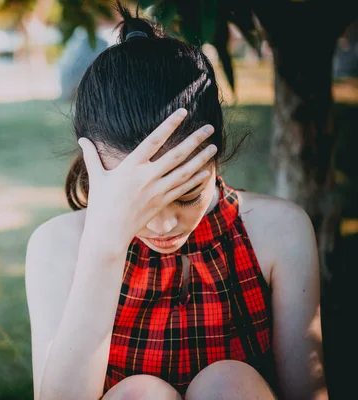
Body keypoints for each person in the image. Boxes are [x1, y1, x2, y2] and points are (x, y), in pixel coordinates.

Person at [25, 2, 327, 399]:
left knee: (227, 383)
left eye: (185, 194)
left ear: (215, 156)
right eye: (140, 199)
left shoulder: (279, 231)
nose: (165, 225)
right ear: (93, 168)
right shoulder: (59, 246)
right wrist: (103, 249)